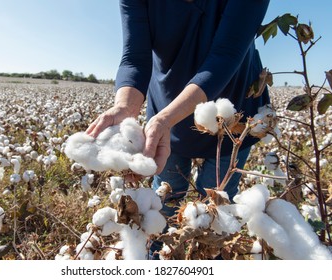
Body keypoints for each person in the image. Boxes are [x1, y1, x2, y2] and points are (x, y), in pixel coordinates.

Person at [86, 0, 270, 248]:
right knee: (165, 203)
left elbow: (226, 54)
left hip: (232, 115)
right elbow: (135, 58)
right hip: (167, 112)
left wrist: (165, 118)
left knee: (214, 210)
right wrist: (125, 108)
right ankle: (161, 257)